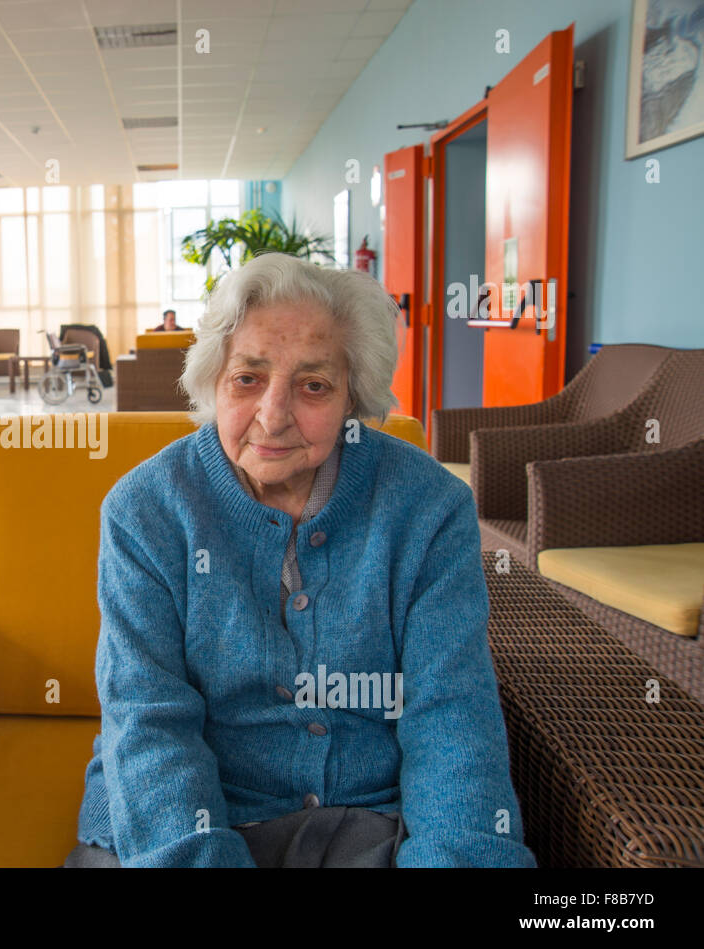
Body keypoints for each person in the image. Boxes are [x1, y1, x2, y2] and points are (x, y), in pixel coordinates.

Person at [65, 253, 534, 868]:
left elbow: (452, 714)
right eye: (247, 378)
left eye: (313, 385)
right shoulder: (145, 509)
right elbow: (148, 722)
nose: (274, 414)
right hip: (176, 824)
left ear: (352, 398)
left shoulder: (429, 507)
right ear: (213, 381)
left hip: (369, 821)